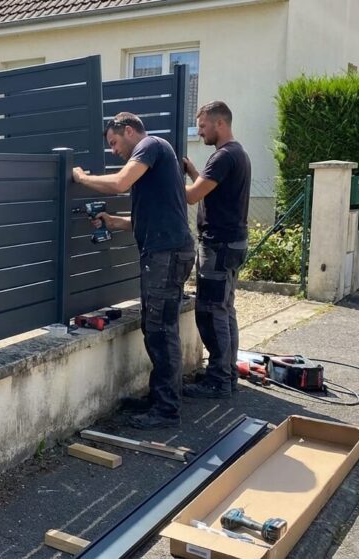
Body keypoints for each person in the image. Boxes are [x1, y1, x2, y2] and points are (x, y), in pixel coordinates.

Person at [73, 112, 194, 429]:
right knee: (157, 327)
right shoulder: (157, 157)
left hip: (166, 255)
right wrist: (115, 223)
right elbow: (155, 215)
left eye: (114, 143)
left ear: (128, 130)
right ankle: (160, 397)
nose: (114, 151)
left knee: (161, 330)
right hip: (168, 250)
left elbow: (119, 183)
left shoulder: (150, 145)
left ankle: (166, 410)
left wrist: (82, 178)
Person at [180, 101, 252, 399]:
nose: (200, 133)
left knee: (211, 312)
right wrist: (193, 170)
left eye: (203, 126)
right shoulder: (238, 154)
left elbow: (194, 195)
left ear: (219, 124)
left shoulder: (222, 157)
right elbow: (209, 189)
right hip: (233, 243)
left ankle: (219, 380)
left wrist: (166, 180)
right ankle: (228, 375)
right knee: (225, 309)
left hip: (218, 245)